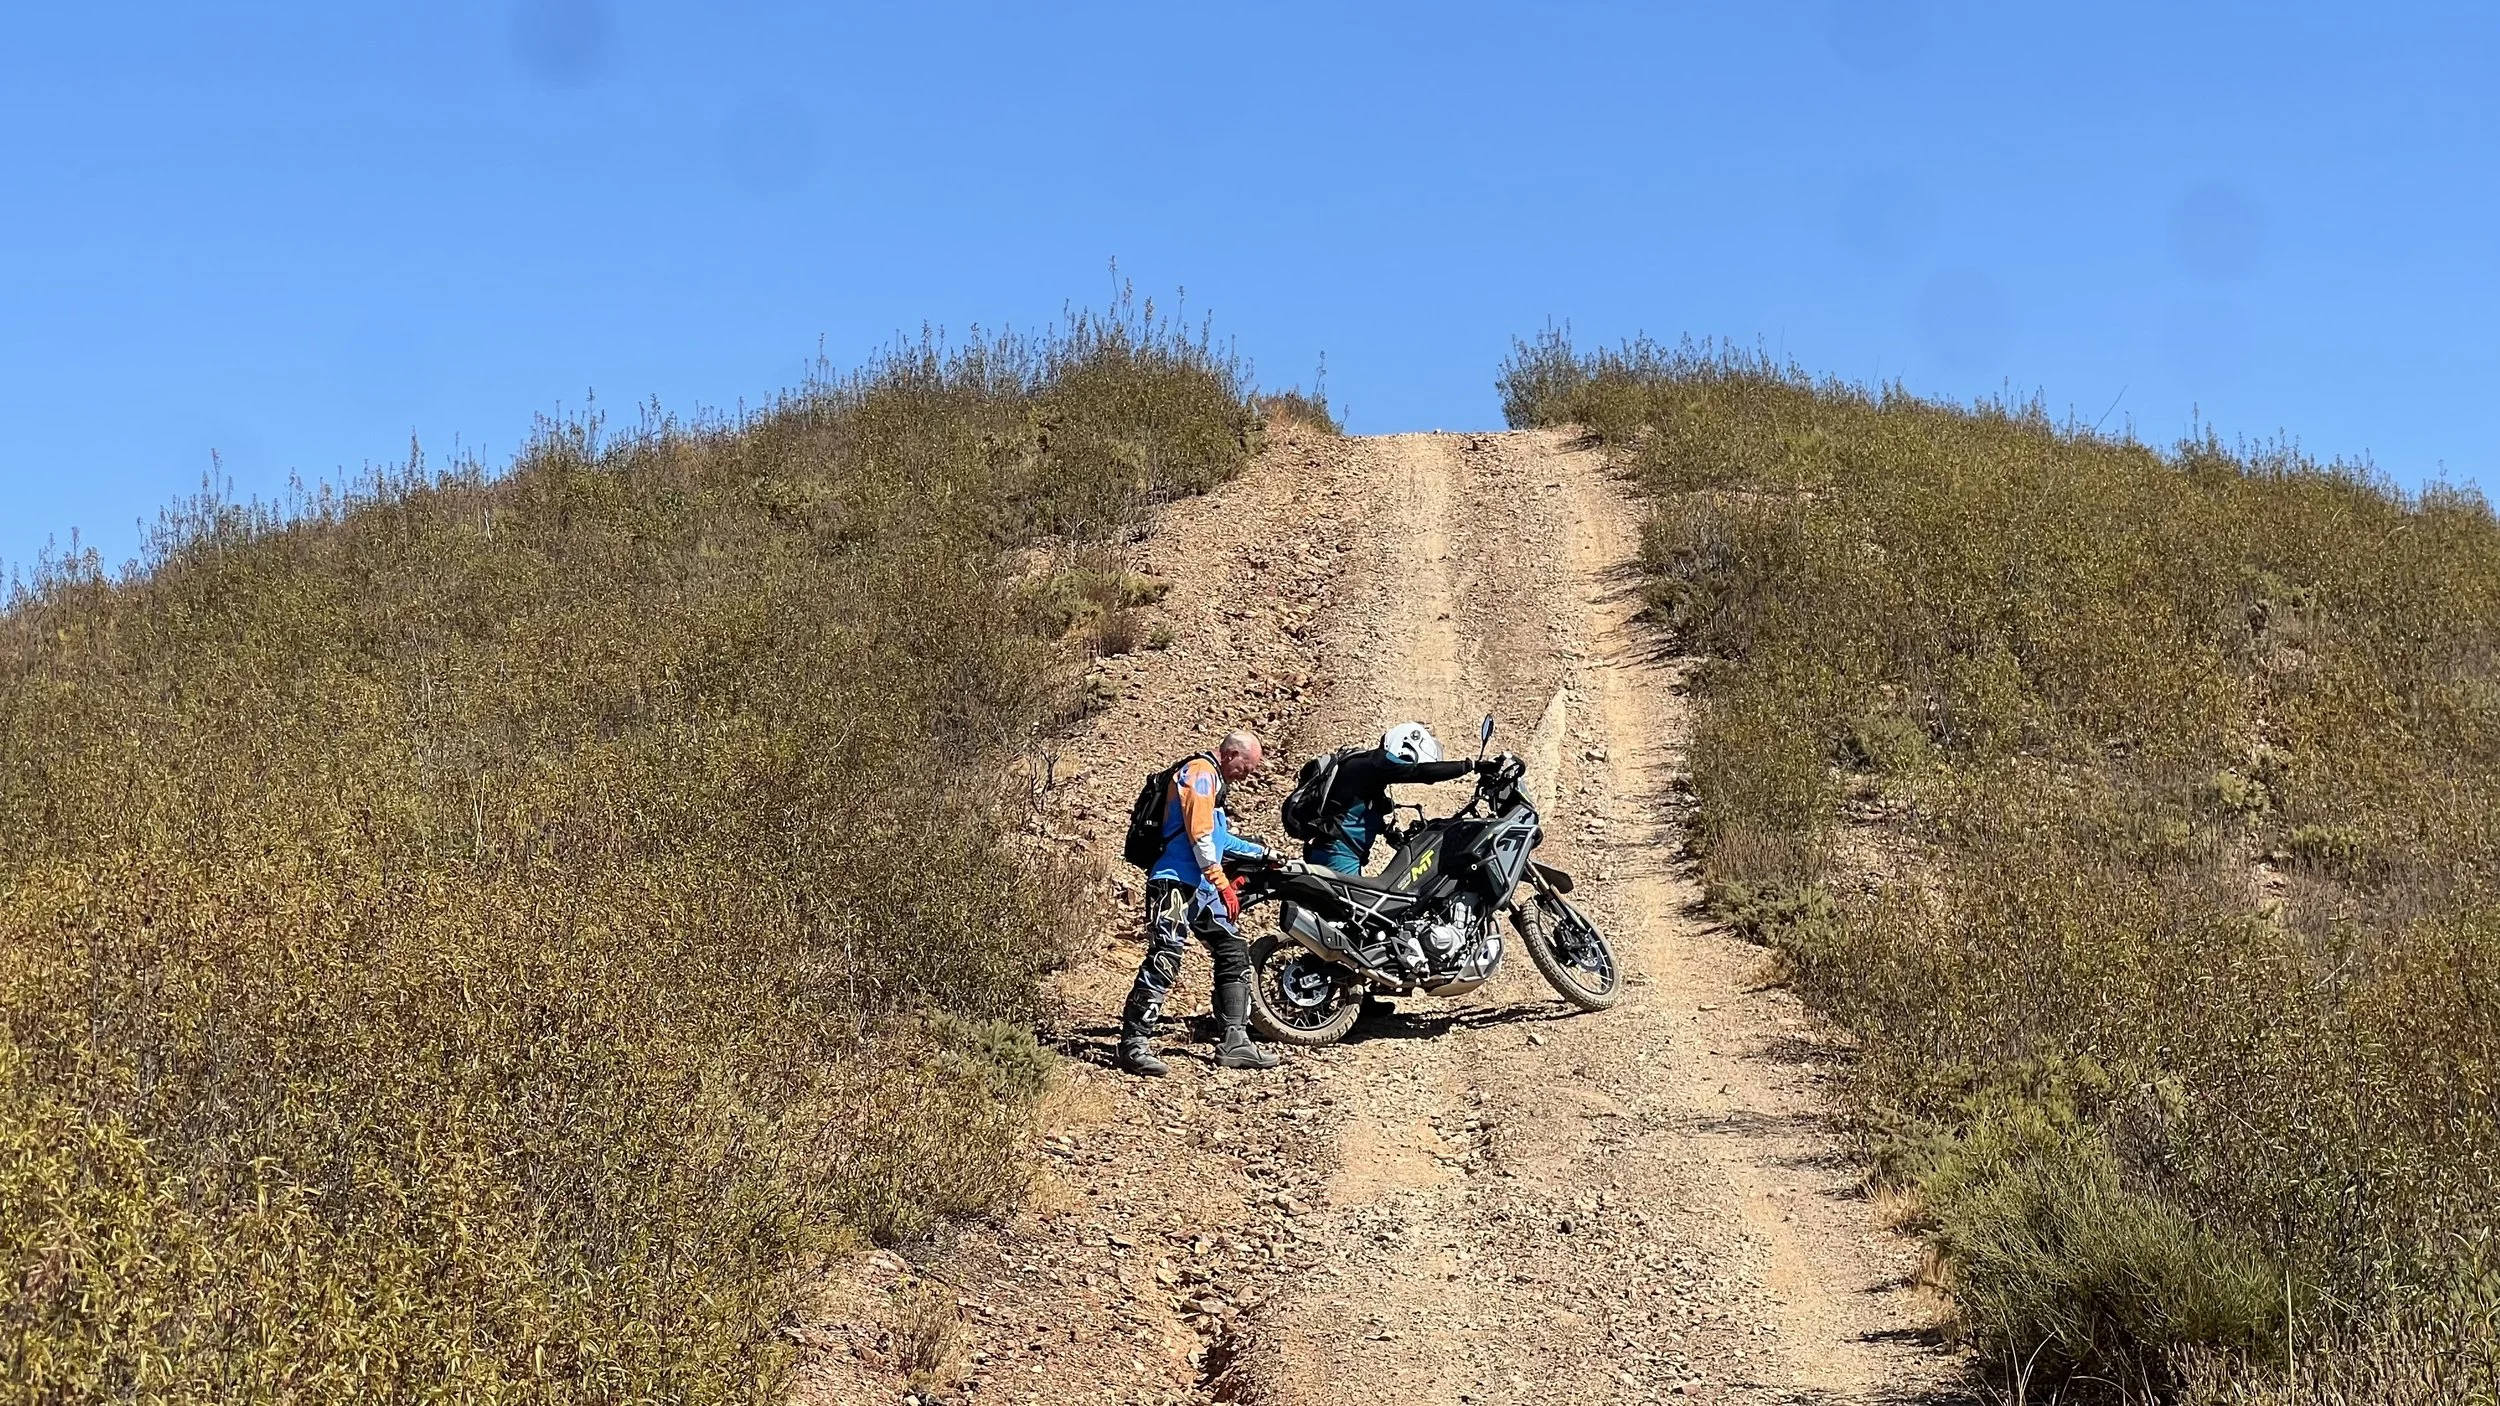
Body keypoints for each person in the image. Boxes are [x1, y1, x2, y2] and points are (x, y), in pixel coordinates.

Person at [1119, 729, 1281, 1077]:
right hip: (1174, 882)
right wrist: (1222, 882)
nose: (1247, 775)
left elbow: (1221, 839)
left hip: (1199, 887)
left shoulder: (1215, 783)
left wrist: (1264, 853)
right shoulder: (1200, 774)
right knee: (1166, 955)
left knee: (1233, 948)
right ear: (1231, 754)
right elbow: (1201, 835)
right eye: (1246, 767)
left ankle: (1235, 1040)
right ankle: (1134, 1042)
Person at [1303, 722, 1486, 876]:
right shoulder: (1375, 762)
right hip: (1339, 852)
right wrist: (1470, 766)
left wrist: (1388, 832)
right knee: (1354, 913)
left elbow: (1352, 811)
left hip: (1331, 848)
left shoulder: (1367, 770)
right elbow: (1420, 773)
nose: (1407, 764)